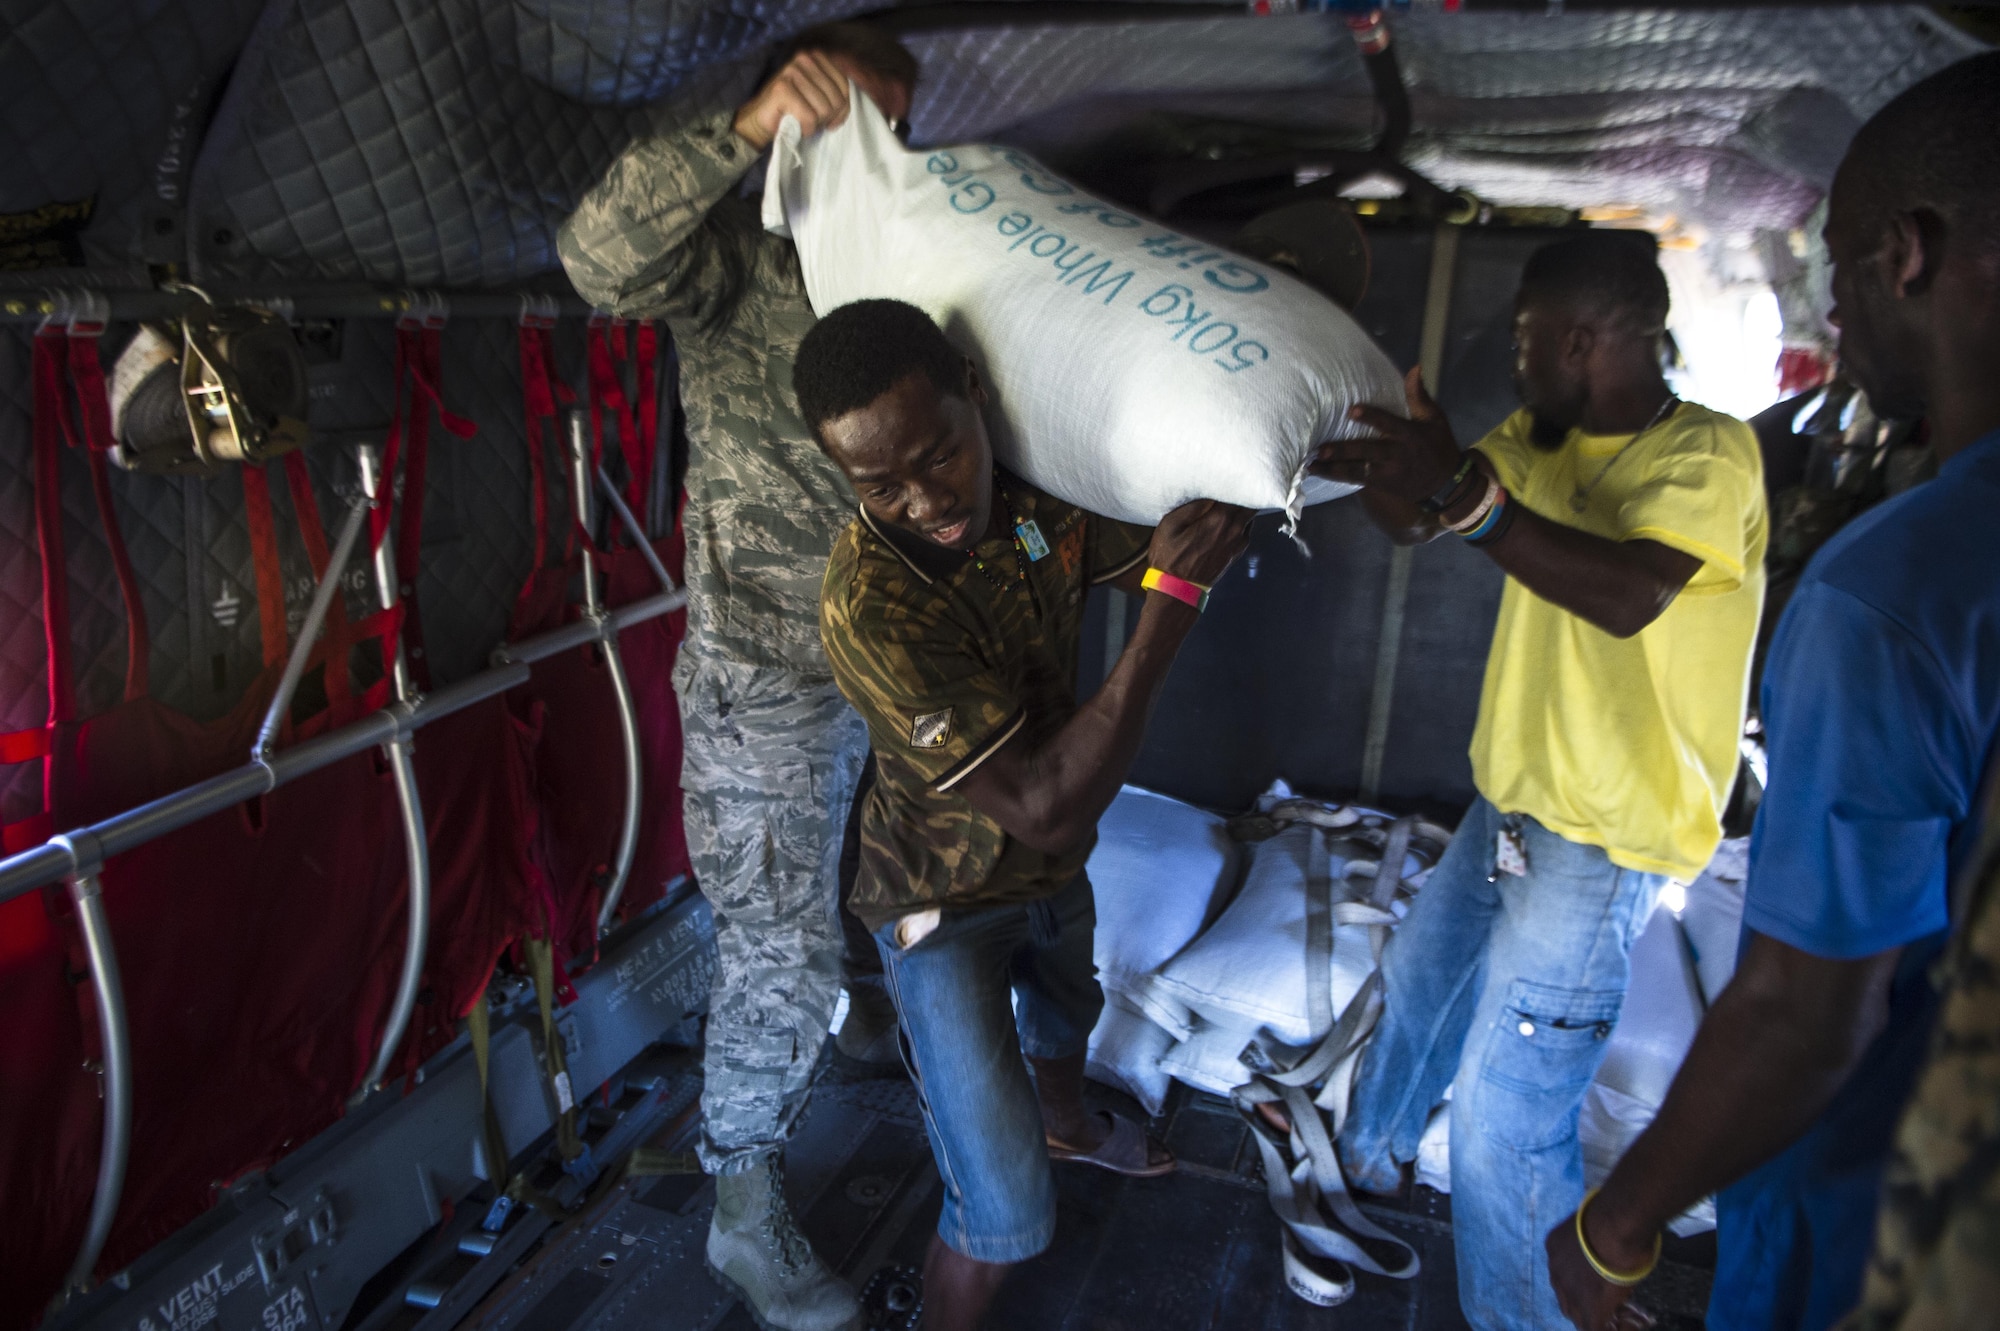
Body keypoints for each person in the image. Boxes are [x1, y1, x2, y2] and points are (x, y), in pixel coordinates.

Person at [1541, 52, 2000, 1331]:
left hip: (1876, 1232)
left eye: (1836, 260)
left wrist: (1613, 1226)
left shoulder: (1889, 590)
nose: (1829, 306)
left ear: (1905, 253)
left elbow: (1807, 1011)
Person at [1310, 232, 1768, 1329]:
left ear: (1581, 339)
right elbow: (1426, 515)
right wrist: (1394, 469)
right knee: (1421, 980)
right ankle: (1362, 1160)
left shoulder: (1704, 456)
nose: (1509, 363)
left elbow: (1624, 591)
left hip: (1599, 844)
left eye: (1522, 342)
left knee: (1508, 1119)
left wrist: (1464, 495)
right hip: (1511, 807)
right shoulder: (1534, 438)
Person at [557, 25, 917, 1331]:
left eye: (895, 124)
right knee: (777, 945)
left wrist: (1058, 559)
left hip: (902, 661)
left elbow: (1011, 471)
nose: (872, 152)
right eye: (846, 119)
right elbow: (594, 258)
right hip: (767, 673)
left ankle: (867, 1015)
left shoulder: (930, 270)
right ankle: (744, 1205)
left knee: (894, 871)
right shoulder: (738, 262)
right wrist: (741, 130)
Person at [797, 298, 1250, 1330]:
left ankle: (1066, 1119)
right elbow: (1043, 804)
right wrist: (1170, 603)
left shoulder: (1035, 500)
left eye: (937, 456)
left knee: (1062, 1006)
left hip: (1046, 871)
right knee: (999, 1209)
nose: (924, 500)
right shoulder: (872, 604)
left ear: (972, 386)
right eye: (880, 484)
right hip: (939, 895)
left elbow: (1180, 513)